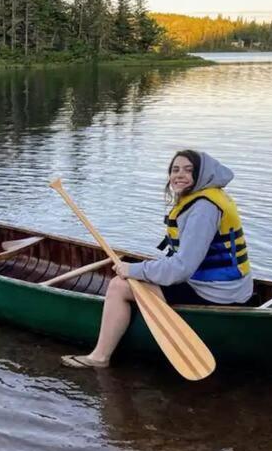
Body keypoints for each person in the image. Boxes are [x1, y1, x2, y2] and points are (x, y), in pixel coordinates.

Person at [61, 150, 253, 369]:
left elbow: (181, 268)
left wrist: (133, 271)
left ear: (202, 174)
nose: (179, 175)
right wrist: (144, 269)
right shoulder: (206, 197)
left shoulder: (203, 208)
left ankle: (99, 357)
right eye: (175, 169)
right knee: (144, 271)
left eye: (189, 170)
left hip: (217, 292)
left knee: (118, 286)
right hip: (230, 286)